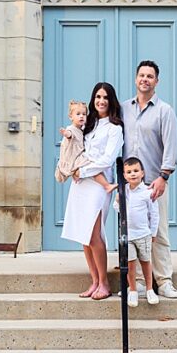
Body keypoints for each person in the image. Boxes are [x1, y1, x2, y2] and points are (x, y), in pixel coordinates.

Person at [121, 59, 177, 299]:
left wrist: (163, 177)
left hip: (153, 183)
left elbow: (171, 146)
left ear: (157, 81)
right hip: (129, 186)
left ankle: (163, 280)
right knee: (133, 234)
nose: (145, 79)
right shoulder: (123, 108)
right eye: (141, 75)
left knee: (158, 233)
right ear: (136, 79)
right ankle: (138, 283)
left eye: (150, 76)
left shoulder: (164, 110)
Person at [60, 82, 124, 301]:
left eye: (105, 97)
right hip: (80, 184)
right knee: (83, 236)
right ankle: (94, 281)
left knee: (95, 234)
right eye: (97, 96)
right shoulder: (88, 125)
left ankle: (105, 283)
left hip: (98, 184)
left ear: (111, 100)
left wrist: (83, 170)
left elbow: (107, 159)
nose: (101, 101)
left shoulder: (115, 129)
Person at [116, 158, 160, 308]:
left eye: (136, 171)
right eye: (129, 172)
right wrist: (117, 200)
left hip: (143, 234)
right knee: (130, 263)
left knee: (146, 262)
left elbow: (154, 215)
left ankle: (149, 289)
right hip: (128, 235)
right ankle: (133, 290)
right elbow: (119, 210)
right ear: (124, 175)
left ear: (142, 173)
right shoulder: (124, 190)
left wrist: (153, 233)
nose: (133, 174)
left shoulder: (148, 192)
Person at [56, 100, 119, 194]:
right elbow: (70, 135)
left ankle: (104, 184)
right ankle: (107, 186)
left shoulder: (83, 128)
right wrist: (66, 133)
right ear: (70, 116)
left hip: (79, 157)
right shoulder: (71, 129)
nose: (81, 116)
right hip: (75, 158)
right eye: (78, 114)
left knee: (92, 167)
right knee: (92, 166)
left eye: (84, 114)